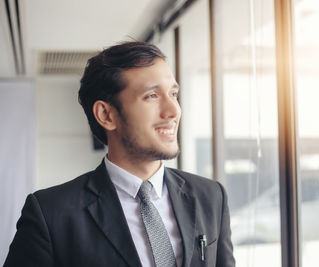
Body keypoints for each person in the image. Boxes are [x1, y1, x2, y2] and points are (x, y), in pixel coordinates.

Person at [4, 42, 235, 267]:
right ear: (106, 115)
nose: (173, 110)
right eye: (152, 96)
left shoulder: (211, 196)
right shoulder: (51, 214)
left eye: (173, 93)